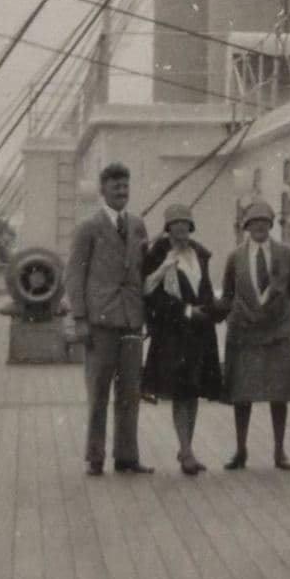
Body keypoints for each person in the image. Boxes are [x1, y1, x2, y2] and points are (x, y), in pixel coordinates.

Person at [67, 161, 153, 476]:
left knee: (130, 390)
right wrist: (79, 318)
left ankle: (127, 456)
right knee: (99, 391)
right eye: (116, 187)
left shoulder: (138, 226)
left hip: (132, 318)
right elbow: (74, 274)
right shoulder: (88, 228)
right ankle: (95, 457)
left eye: (125, 186)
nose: (121, 192)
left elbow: (146, 271)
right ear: (103, 190)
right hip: (100, 320)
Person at [216, 197, 290, 471]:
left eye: (264, 222)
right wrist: (233, 318)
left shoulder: (286, 255)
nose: (259, 227)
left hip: (278, 334)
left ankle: (279, 451)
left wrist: (289, 324)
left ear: (271, 224)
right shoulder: (236, 257)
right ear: (246, 226)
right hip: (245, 335)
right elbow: (228, 295)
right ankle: (241, 450)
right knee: (243, 394)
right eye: (253, 222)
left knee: (280, 393)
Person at [139, 202, 226, 475]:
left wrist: (214, 310)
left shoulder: (199, 255)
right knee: (180, 390)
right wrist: (186, 311)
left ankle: (186, 447)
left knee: (194, 390)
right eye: (175, 225)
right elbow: (151, 294)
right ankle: (185, 450)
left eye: (185, 224)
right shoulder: (158, 256)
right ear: (167, 229)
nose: (181, 230)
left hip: (200, 332)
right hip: (173, 332)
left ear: (191, 226)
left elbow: (206, 290)